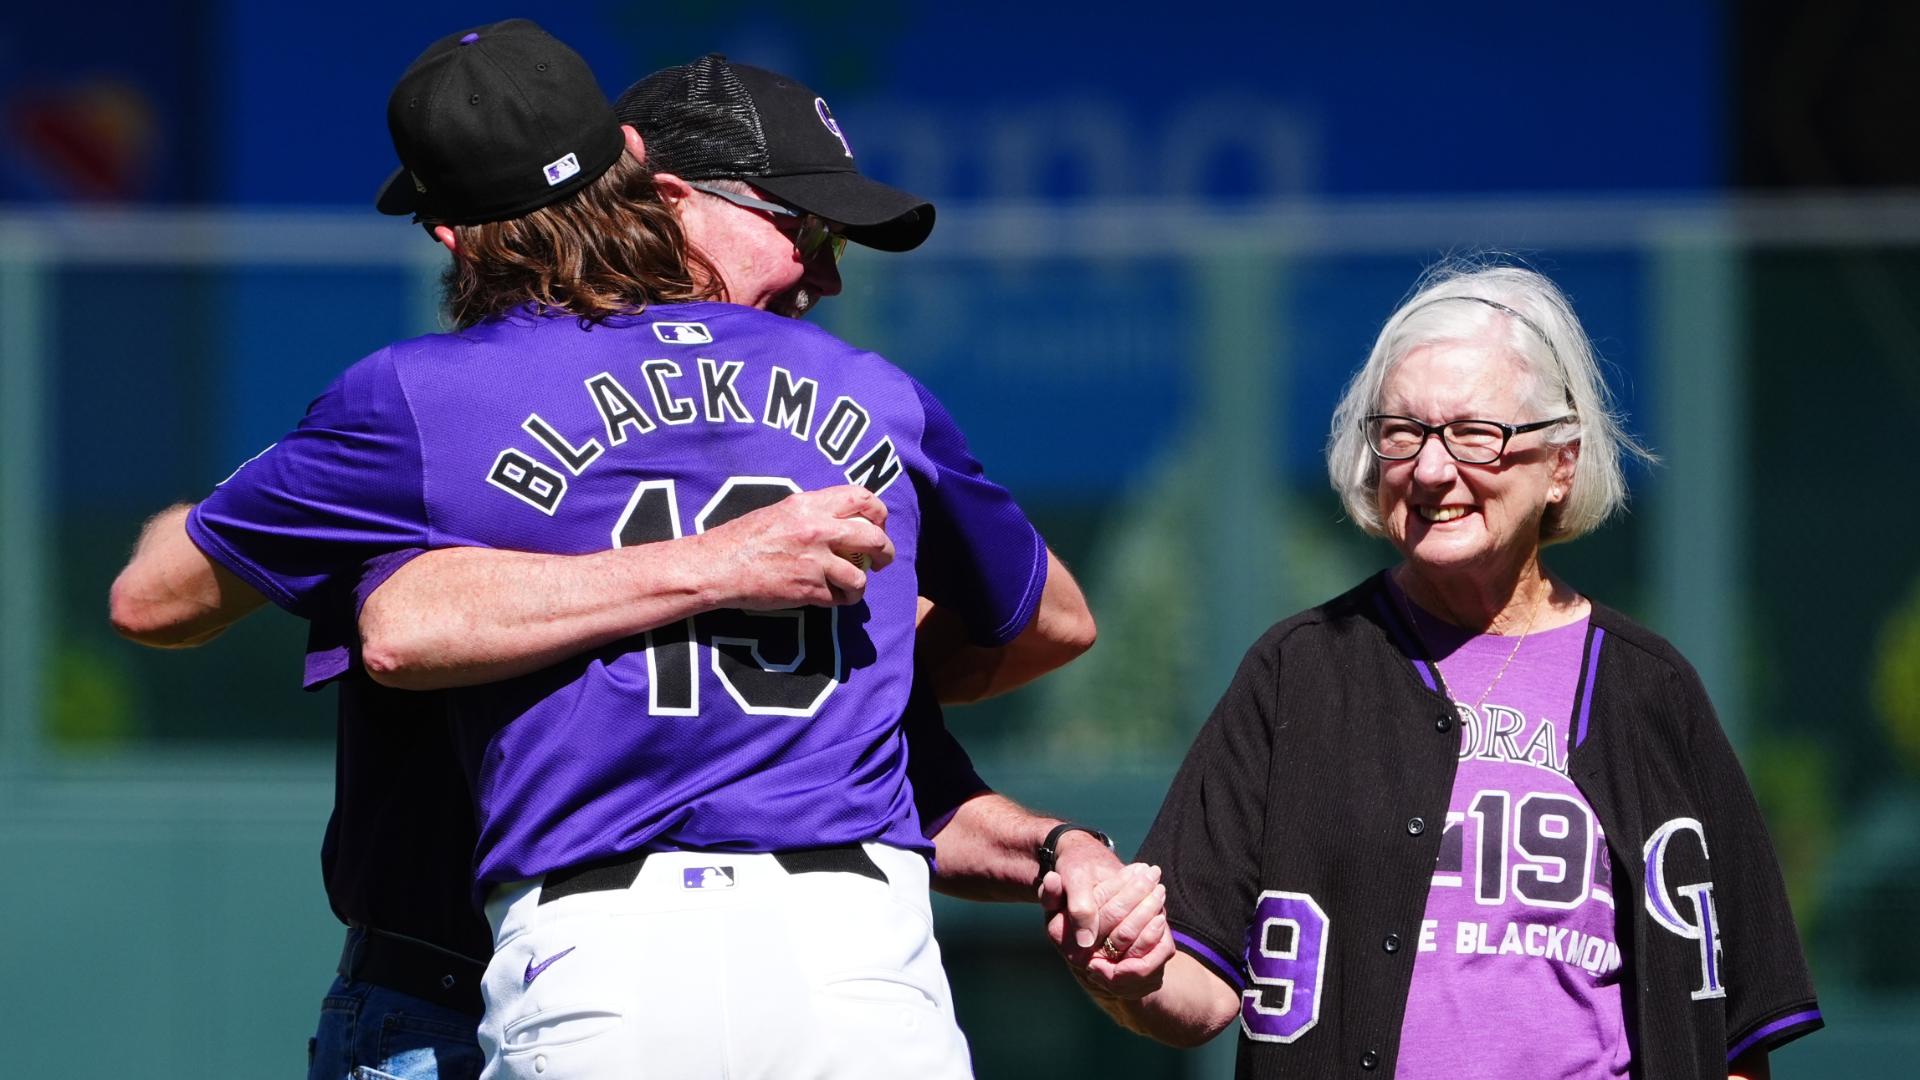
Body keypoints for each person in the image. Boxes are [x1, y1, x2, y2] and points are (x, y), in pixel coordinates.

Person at [109, 24, 1152, 1080]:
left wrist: (854, 657)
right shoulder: (864, 390)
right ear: (645, 181)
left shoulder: (421, 401)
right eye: (803, 228)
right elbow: (400, 630)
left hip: (587, 957)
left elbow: (167, 599)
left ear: (447, 233)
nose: (822, 271)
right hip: (823, 959)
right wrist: (736, 576)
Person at [1050, 262, 1822, 1079]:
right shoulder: (1299, 672)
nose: (1429, 469)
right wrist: (1127, 973)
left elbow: (1735, 1029)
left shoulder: (1650, 691)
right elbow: (1199, 979)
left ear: (1561, 463)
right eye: (1403, 432)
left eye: (1473, 433)